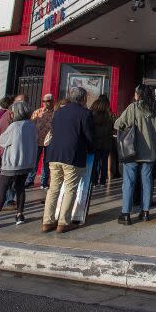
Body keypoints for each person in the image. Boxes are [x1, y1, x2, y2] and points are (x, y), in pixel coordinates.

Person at [0, 101, 38, 229]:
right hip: (25, 162)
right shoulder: (31, 125)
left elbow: (2, 141)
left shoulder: (14, 126)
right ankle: (20, 214)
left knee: (2, 189)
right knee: (20, 188)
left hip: (12, 163)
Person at [42, 87, 94, 233]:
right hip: (72, 155)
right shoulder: (85, 113)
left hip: (54, 154)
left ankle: (47, 221)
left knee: (53, 188)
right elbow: (89, 136)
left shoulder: (58, 112)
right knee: (71, 188)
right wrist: (91, 149)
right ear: (83, 99)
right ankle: (63, 223)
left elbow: (53, 130)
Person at [114, 85, 156, 225]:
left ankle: (126, 214)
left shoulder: (133, 108)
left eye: (136, 93)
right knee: (147, 182)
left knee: (129, 182)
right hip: (150, 153)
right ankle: (145, 212)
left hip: (132, 151)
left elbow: (118, 124)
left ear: (139, 94)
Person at [28, 93, 54, 189]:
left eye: (48, 101)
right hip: (37, 140)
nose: (45, 103)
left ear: (52, 101)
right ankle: (30, 180)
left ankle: (44, 182)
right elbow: (31, 124)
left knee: (46, 162)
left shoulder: (56, 113)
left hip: (49, 141)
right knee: (34, 161)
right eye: (44, 101)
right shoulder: (37, 112)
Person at [90, 95, 114, 186]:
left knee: (95, 162)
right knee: (104, 162)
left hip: (95, 143)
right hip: (106, 143)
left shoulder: (93, 115)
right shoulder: (109, 116)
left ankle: (94, 181)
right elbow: (113, 128)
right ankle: (103, 181)